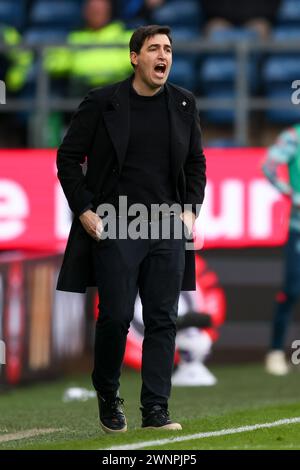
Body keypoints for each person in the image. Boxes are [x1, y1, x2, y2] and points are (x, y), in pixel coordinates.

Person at [56, 24, 206, 433]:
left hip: (167, 226)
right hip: (116, 224)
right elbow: (68, 159)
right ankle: (107, 392)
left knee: (163, 319)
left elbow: (196, 164)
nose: (163, 56)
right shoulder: (103, 102)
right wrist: (84, 209)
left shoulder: (184, 104)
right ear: (134, 57)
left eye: (169, 50)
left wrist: (190, 212)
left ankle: (156, 410)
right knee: (117, 316)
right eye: (154, 48)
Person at [262, 124, 300, 375]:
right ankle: (275, 351)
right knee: (292, 289)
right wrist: (292, 194)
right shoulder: (293, 136)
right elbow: (268, 166)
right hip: (298, 226)